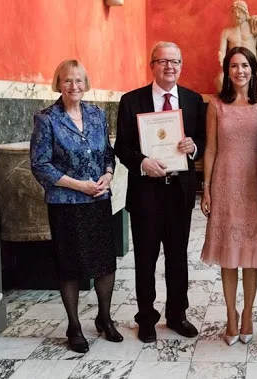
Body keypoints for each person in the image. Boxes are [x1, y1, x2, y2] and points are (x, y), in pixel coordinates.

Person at [114, 42, 205, 343]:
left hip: (179, 193)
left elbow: (203, 141)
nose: (169, 67)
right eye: (163, 61)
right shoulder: (131, 100)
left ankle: (177, 315)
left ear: (181, 65)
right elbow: (122, 147)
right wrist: (142, 163)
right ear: (151, 65)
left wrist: (193, 148)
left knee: (178, 259)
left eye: (175, 61)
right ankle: (146, 319)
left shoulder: (193, 100)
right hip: (146, 194)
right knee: (145, 260)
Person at [30, 60, 123, 353]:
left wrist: (108, 174)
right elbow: (40, 165)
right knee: (69, 266)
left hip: (98, 201)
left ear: (86, 83)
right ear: (58, 83)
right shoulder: (46, 119)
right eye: (68, 81)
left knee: (105, 263)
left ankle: (105, 318)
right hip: (66, 204)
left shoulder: (97, 114)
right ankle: (74, 326)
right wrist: (78, 184)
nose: (74, 86)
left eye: (79, 81)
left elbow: (108, 152)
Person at [200, 46, 257, 346]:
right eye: (234, 66)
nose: (239, 71)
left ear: (253, 69)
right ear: (226, 70)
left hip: (256, 183)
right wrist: (206, 188)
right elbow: (210, 148)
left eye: (245, 65)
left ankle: (248, 314)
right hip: (225, 181)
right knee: (229, 254)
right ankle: (230, 315)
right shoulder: (216, 104)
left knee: (251, 253)